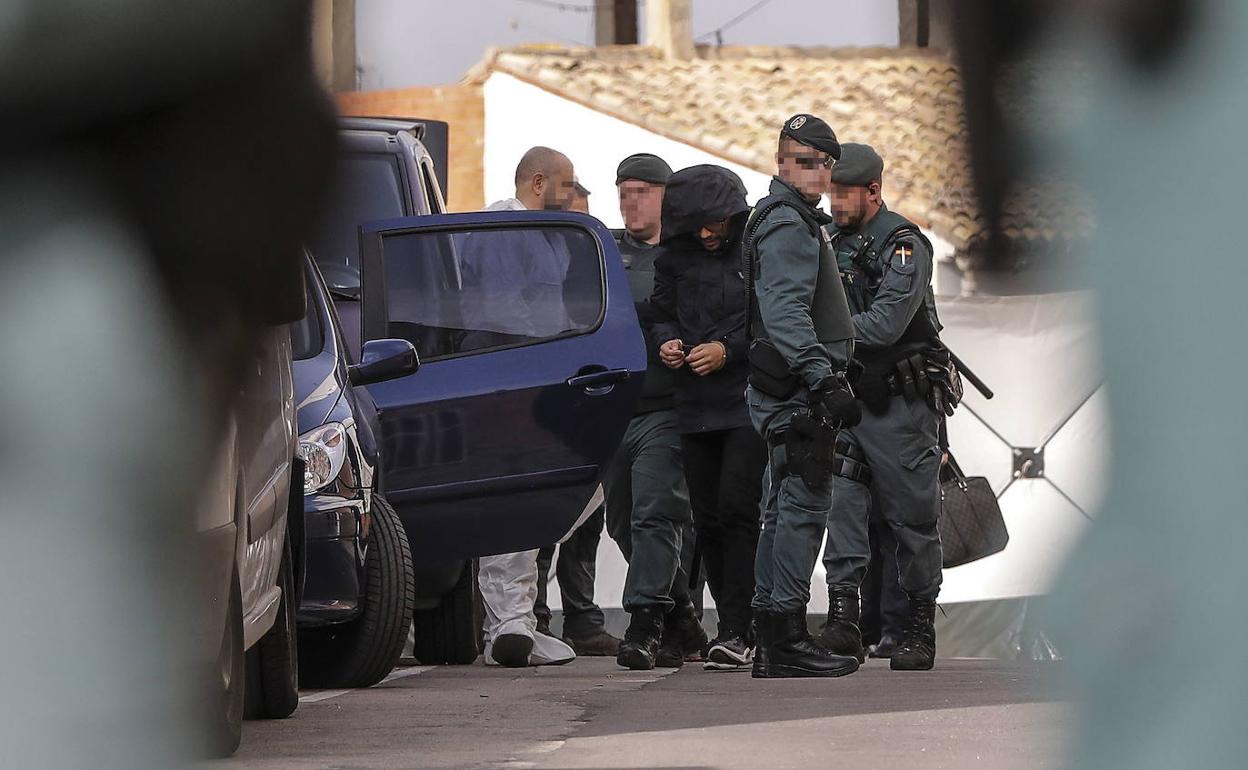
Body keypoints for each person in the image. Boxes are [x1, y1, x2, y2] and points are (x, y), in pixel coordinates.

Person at [819, 143, 946, 672]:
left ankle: (918, 624)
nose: (836, 201)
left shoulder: (902, 245)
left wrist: (814, 338)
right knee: (842, 510)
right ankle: (844, 619)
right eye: (832, 190)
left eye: (846, 192)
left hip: (900, 402)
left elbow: (886, 325)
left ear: (873, 190)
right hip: (846, 398)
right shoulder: (825, 240)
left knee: (912, 518)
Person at [744, 114, 862, 679]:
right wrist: (824, 378)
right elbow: (786, 312)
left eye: (825, 165)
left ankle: (772, 635)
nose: (819, 174)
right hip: (796, 391)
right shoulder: (789, 222)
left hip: (782, 386)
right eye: (806, 162)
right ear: (783, 163)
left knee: (779, 511)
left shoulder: (785, 217)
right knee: (802, 510)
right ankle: (785, 636)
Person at [650, 164, 767, 671]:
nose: (707, 234)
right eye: (698, 225)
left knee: (740, 511)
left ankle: (744, 627)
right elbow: (659, 312)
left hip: (745, 400)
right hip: (694, 404)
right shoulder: (673, 258)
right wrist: (667, 343)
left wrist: (727, 350)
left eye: (715, 224)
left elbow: (769, 318)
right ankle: (731, 626)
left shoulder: (755, 250)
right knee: (708, 519)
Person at [474, 147, 580, 668]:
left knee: (556, 494)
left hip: (543, 380)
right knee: (513, 495)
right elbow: (503, 310)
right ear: (538, 183)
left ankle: (516, 619)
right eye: (566, 184)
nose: (572, 192)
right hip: (516, 379)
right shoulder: (503, 230)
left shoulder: (543, 236)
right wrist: (530, 371)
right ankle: (508, 624)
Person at [605, 153, 709, 671]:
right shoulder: (601, 253)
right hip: (611, 406)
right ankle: (685, 616)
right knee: (620, 522)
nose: (630, 201)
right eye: (624, 191)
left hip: (669, 406)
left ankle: (644, 623)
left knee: (655, 515)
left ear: (666, 197)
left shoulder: (687, 255)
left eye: (642, 191)